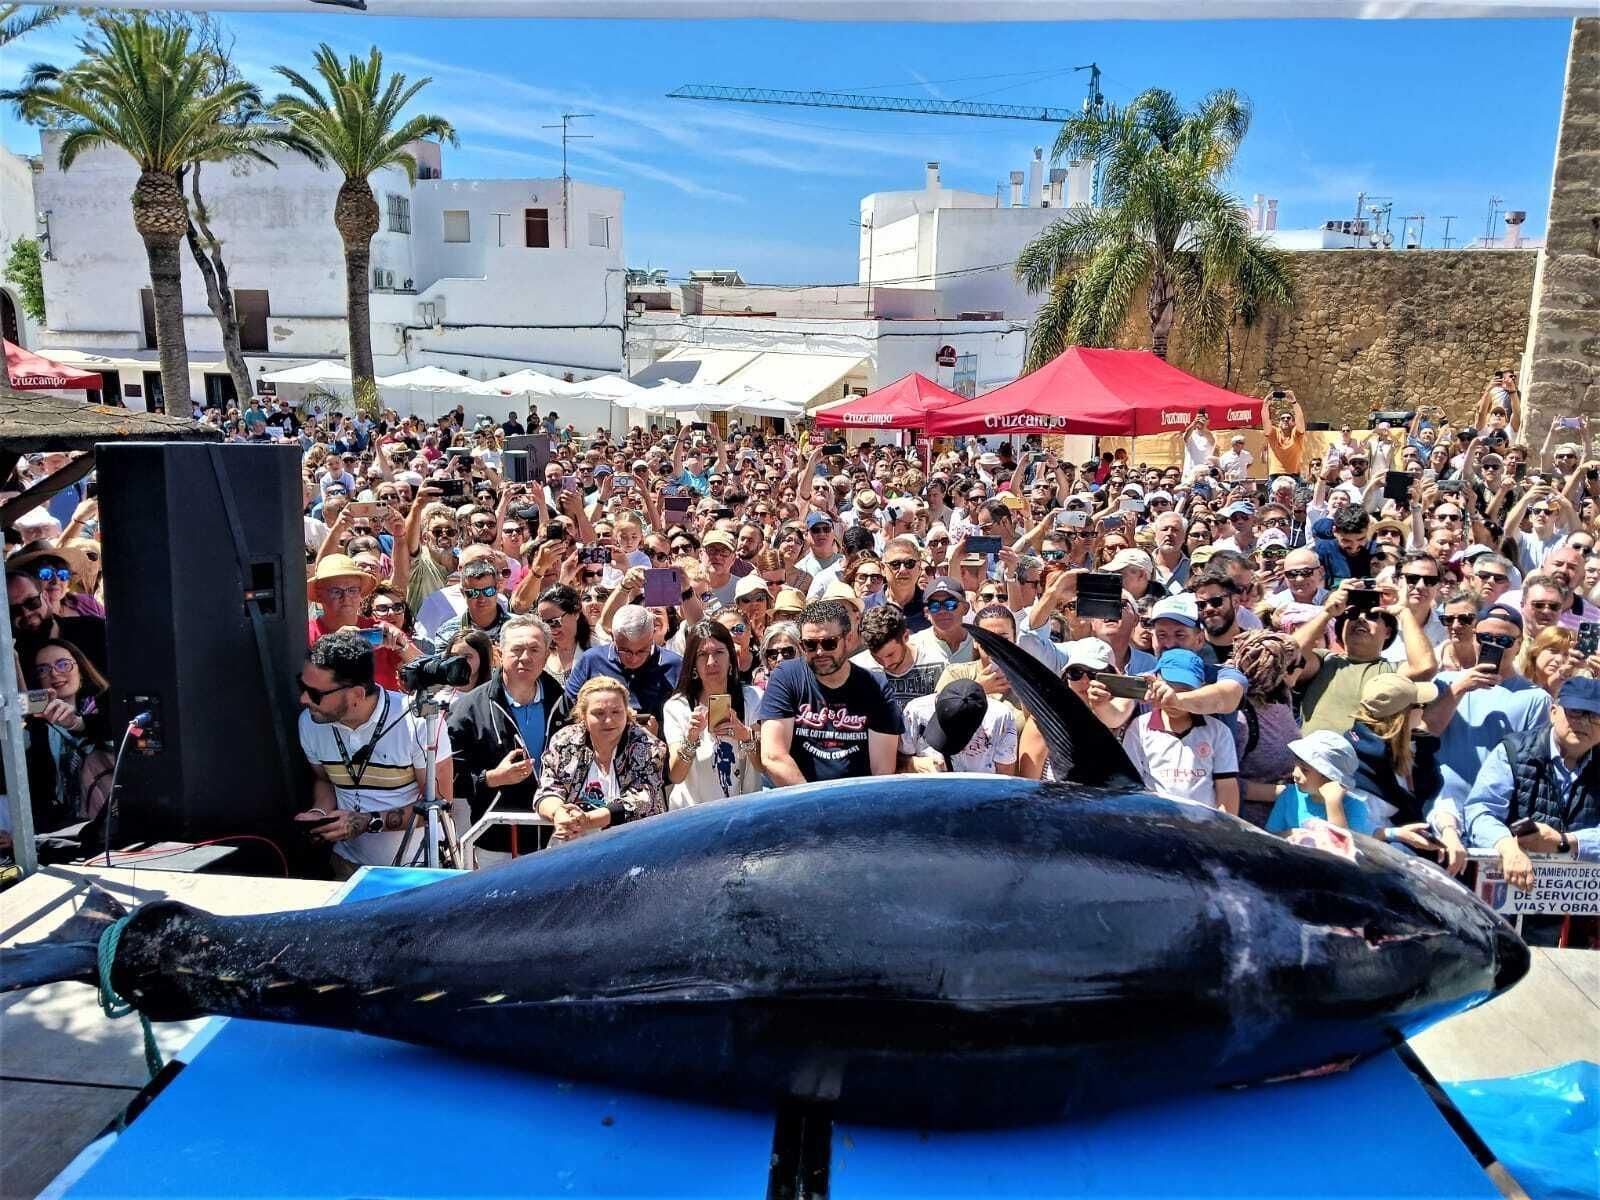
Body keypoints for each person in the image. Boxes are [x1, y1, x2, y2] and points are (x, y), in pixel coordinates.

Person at [295, 631, 453, 880]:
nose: (304, 699)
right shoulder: (311, 722)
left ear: (357, 694)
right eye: (302, 686)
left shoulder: (417, 721)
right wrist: (319, 814)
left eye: (315, 693)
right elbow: (324, 780)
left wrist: (367, 821)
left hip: (415, 870)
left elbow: (440, 804)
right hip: (346, 865)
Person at [446, 615, 572, 867]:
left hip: (557, 835)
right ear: (499, 652)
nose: (525, 657)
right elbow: (450, 777)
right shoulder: (468, 709)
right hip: (495, 836)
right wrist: (492, 778)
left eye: (535, 649)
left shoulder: (567, 705)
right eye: (516, 649)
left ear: (547, 654)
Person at [1465, 676, 1600, 901]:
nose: (1584, 722)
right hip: (1509, 894)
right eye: (1575, 712)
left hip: (1577, 908)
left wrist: (1563, 842)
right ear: (1554, 711)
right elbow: (1480, 810)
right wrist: (1507, 847)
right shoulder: (1512, 751)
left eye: (1594, 716)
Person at [1422, 603, 1551, 837]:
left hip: (1496, 816)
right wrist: (1460, 688)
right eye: (1485, 638)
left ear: (1519, 644)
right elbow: (1426, 732)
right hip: (1440, 810)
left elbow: (1532, 769)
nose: (1493, 645)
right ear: (1474, 637)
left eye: (1504, 641)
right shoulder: (1445, 682)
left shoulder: (1536, 698)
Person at [758, 599, 901, 784]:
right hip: (800, 799)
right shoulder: (786, 677)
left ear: (848, 639)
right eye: (810, 645)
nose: (819, 652)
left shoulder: (876, 687)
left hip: (856, 800)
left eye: (829, 643)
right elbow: (773, 756)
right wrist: (816, 805)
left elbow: (882, 770)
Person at [1291, 579, 1436, 736]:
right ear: (1341, 628)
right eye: (1352, 614)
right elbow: (1290, 654)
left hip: (1363, 759)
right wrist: (1327, 612)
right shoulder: (1324, 661)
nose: (1360, 618)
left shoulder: (1392, 672)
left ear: (1388, 632)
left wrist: (1404, 612)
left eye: (1372, 616)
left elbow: (1425, 667)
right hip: (1312, 757)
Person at [533, 676, 666, 843]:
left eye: (616, 712)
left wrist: (587, 820)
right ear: (583, 715)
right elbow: (548, 789)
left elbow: (643, 800)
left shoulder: (648, 746)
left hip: (633, 844)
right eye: (599, 713)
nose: (608, 720)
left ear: (627, 712)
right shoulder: (564, 741)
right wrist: (559, 813)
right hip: (573, 845)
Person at [1347, 675, 1454, 863]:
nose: (1424, 709)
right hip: (1376, 863)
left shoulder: (1418, 746)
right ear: (1401, 717)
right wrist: (1397, 834)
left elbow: (1437, 796)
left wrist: (1448, 829)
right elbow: (1358, 831)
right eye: (1420, 705)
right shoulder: (1355, 762)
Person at [1120, 648, 1240, 814]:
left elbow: (1227, 786)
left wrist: (1225, 829)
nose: (1172, 699)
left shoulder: (1218, 732)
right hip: (1156, 825)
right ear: (1156, 681)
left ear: (1201, 688)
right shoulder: (1139, 729)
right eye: (1168, 688)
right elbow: (1130, 784)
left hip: (1203, 827)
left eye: (1184, 691)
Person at [663, 620, 762, 808]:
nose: (711, 662)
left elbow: (761, 766)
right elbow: (676, 776)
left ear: (731, 658)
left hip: (744, 811)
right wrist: (691, 738)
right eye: (702, 655)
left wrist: (745, 735)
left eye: (718, 652)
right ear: (693, 665)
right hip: (694, 816)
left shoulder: (753, 698)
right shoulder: (678, 707)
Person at [22, 638, 113, 833]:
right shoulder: (36, 729)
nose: (55, 673)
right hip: (67, 831)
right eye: (43, 669)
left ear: (80, 670)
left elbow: (112, 730)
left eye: (63, 664)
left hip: (115, 819)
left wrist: (77, 723)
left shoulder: (107, 706)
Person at [563, 603, 682, 731]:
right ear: (612, 637)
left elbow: (684, 715)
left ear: (652, 635)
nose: (634, 658)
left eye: (642, 651)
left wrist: (659, 732)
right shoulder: (591, 661)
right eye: (625, 651)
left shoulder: (674, 665)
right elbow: (568, 710)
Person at [306, 553, 409, 691]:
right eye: (336, 591)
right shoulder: (306, 634)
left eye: (352, 590)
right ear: (319, 594)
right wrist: (333, 645)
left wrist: (403, 647)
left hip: (385, 709)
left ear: (361, 594)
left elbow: (428, 669)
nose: (346, 597)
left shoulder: (380, 629)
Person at [898, 678, 1018, 775]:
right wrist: (914, 764)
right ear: (937, 702)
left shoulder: (1001, 718)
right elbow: (895, 764)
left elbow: (1004, 778)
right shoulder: (915, 711)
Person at [8, 569, 108, 678]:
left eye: (32, 602)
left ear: (45, 597)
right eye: (14, 610)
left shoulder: (94, 630)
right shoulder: (11, 659)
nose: (26, 613)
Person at [1264, 730, 1366, 835]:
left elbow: (1344, 848)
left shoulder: (1354, 807)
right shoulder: (1290, 795)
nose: (1295, 773)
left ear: (1329, 776)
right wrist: (1291, 835)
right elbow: (1270, 838)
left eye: (1305, 770)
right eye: (1296, 765)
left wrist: (1333, 804)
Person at [855, 603, 944, 707]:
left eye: (890, 655)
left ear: (905, 636)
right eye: (877, 657)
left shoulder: (938, 665)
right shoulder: (859, 672)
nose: (886, 664)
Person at [433, 558, 512, 647]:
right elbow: (440, 661)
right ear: (463, 593)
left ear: (497, 588)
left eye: (488, 591)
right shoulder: (448, 632)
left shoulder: (518, 628)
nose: (482, 598)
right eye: (473, 593)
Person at [909, 576, 975, 664]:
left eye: (950, 604)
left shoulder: (980, 644)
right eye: (934, 606)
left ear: (965, 608)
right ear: (927, 612)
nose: (942, 611)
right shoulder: (913, 646)